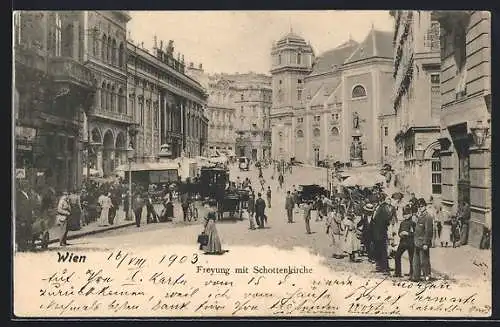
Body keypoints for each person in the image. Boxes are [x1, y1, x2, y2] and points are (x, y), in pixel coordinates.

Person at [412, 198, 434, 282]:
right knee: (416, 261)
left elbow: (428, 231)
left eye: (421, 206)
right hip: (417, 242)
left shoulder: (428, 217)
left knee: (424, 261)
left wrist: (426, 243)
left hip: (423, 242)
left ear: (425, 206)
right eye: (418, 207)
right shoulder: (419, 216)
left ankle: (427, 276)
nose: (420, 208)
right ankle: (416, 276)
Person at [371, 194, 392, 274]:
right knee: (378, 250)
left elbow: (388, 219)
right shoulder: (378, 208)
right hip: (376, 232)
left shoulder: (383, 208)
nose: (374, 204)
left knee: (383, 250)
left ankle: (385, 268)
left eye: (375, 202)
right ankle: (379, 266)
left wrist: (383, 226)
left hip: (381, 232)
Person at [394, 204, 416, 278]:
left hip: (410, 243)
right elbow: (399, 231)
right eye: (404, 214)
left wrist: (408, 233)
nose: (406, 216)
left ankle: (412, 273)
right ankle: (397, 273)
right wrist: (400, 234)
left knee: (412, 258)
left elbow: (415, 233)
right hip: (402, 242)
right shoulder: (402, 223)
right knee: (397, 256)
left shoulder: (413, 223)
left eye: (407, 214)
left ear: (410, 214)